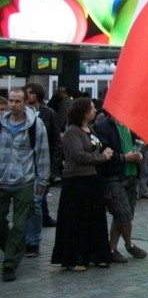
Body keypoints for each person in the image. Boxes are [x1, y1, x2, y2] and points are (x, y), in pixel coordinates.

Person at [50, 97, 112, 271]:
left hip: (92, 178)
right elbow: (79, 155)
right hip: (77, 180)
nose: (94, 110)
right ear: (83, 111)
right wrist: (101, 157)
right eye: (91, 108)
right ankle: (76, 257)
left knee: (94, 218)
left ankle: (96, 254)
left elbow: (94, 148)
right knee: (78, 219)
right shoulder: (72, 131)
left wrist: (103, 152)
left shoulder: (90, 129)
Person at [0, 88, 49, 282]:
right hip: (2, 181)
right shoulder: (1, 123)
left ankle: (9, 264)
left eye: (17, 101)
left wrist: (42, 182)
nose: (13, 105)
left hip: (24, 181)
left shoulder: (35, 126)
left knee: (20, 224)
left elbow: (42, 155)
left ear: (25, 103)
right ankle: (13, 248)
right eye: (11, 101)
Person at [93, 109, 147, 264]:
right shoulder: (104, 126)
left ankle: (112, 249)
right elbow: (104, 153)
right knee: (123, 213)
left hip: (130, 174)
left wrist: (138, 155)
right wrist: (124, 157)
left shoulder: (129, 125)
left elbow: (135, 144)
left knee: (123, 214)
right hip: (114, 177)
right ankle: (129, 244)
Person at [23, 82, 62, 257]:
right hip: (25, 165)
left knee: (36, 202)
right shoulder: (24, 115)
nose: (28, 96)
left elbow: (56, 141)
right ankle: (25, 237)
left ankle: (33, 241)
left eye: (31, 93)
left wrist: (54, 168)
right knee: (27, 203)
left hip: (43, 164)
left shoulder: (48, 114)